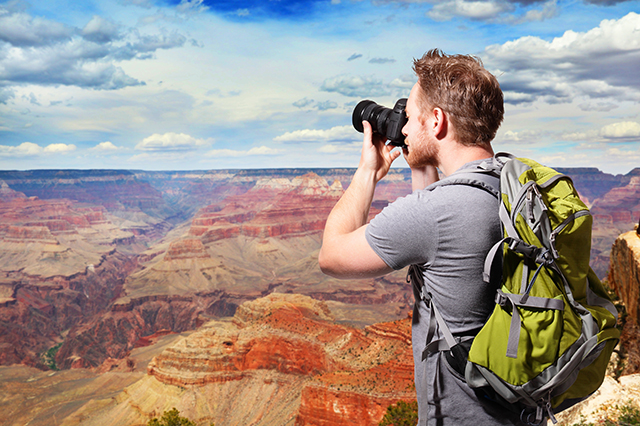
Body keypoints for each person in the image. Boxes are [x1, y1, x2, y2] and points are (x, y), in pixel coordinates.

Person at [319, 49, 523, 425]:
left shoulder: (436, 213)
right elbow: (435, 215)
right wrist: (421, 157)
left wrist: (368, 172)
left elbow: (331, 255)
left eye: (410, 118)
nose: (405, 129)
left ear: (437, 120)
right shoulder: (515, 188)